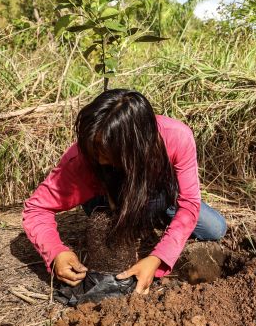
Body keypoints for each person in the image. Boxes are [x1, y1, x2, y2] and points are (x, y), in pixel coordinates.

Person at [22, 89, 227, 294]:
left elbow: (189, 203)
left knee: (214, 229)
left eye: (107, 153)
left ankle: (148, 215)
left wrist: (158, 258)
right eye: (95, 150)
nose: (100, 159)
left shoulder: (176, 137)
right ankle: (124, 215)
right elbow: (36, 209)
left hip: (159, 194)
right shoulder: (83, 157)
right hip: (108, 198)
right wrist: (57, 252)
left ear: (137, 146)